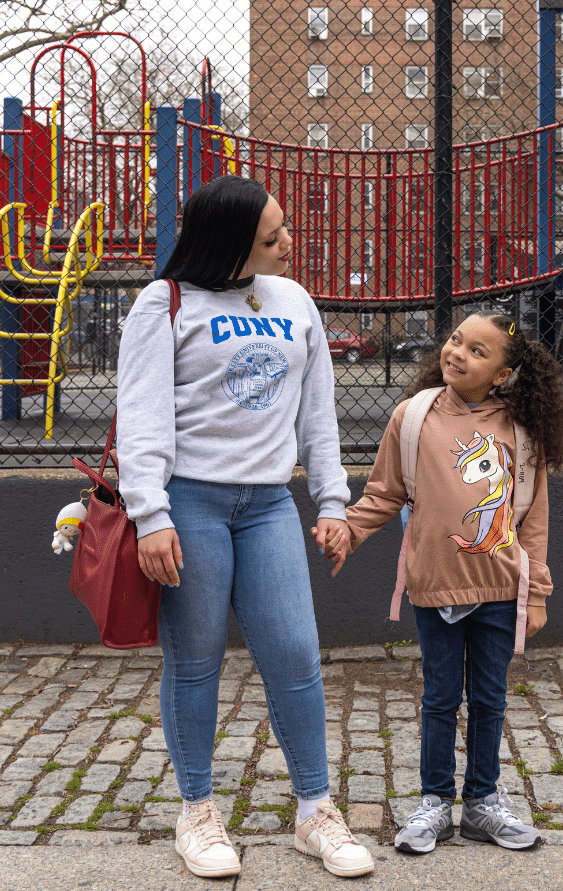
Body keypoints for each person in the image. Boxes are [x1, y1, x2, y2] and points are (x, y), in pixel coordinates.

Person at [116, 176, 374, 879]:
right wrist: (151, 514)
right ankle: (196, 811)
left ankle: (314, 810)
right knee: (195, 659)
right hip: (189, 504)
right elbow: (140, 416)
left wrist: (330, 502)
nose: (288, 243)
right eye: (271, 237)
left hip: (266, 504)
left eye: (283, 228)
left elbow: (316, 413)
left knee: (295, 652)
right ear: (228, 243)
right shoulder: (163, 304)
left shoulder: (294, 301)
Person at [322, 311, 563, 855]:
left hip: (502, 594)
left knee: (489, 700)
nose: (458, 352)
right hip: (435, 588)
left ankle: (482, 802)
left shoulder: (522, 433)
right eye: (456, 340)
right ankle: (435, 802)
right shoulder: (413, 417)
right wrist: (349, 531)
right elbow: (383, 494)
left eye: (478, 351)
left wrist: (536, 595)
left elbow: (533, 519)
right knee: (439, 700)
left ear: (504, 375)